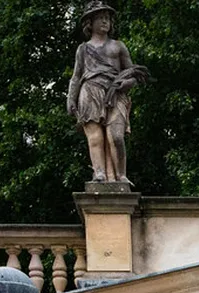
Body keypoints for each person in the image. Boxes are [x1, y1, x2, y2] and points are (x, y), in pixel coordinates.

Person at [66, 1, 149, 184]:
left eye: (107, 18)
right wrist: (71, 99)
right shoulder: (83, 49)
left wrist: (126, 84)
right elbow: (76, 76)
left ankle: (121, 175)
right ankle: (99, 173)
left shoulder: (118, 46)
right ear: (90, 23)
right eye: (100, 18)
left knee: (116, 137)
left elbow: (133, 74)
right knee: (95, 137)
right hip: (90, 90)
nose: (105, 21)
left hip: (115, 92)